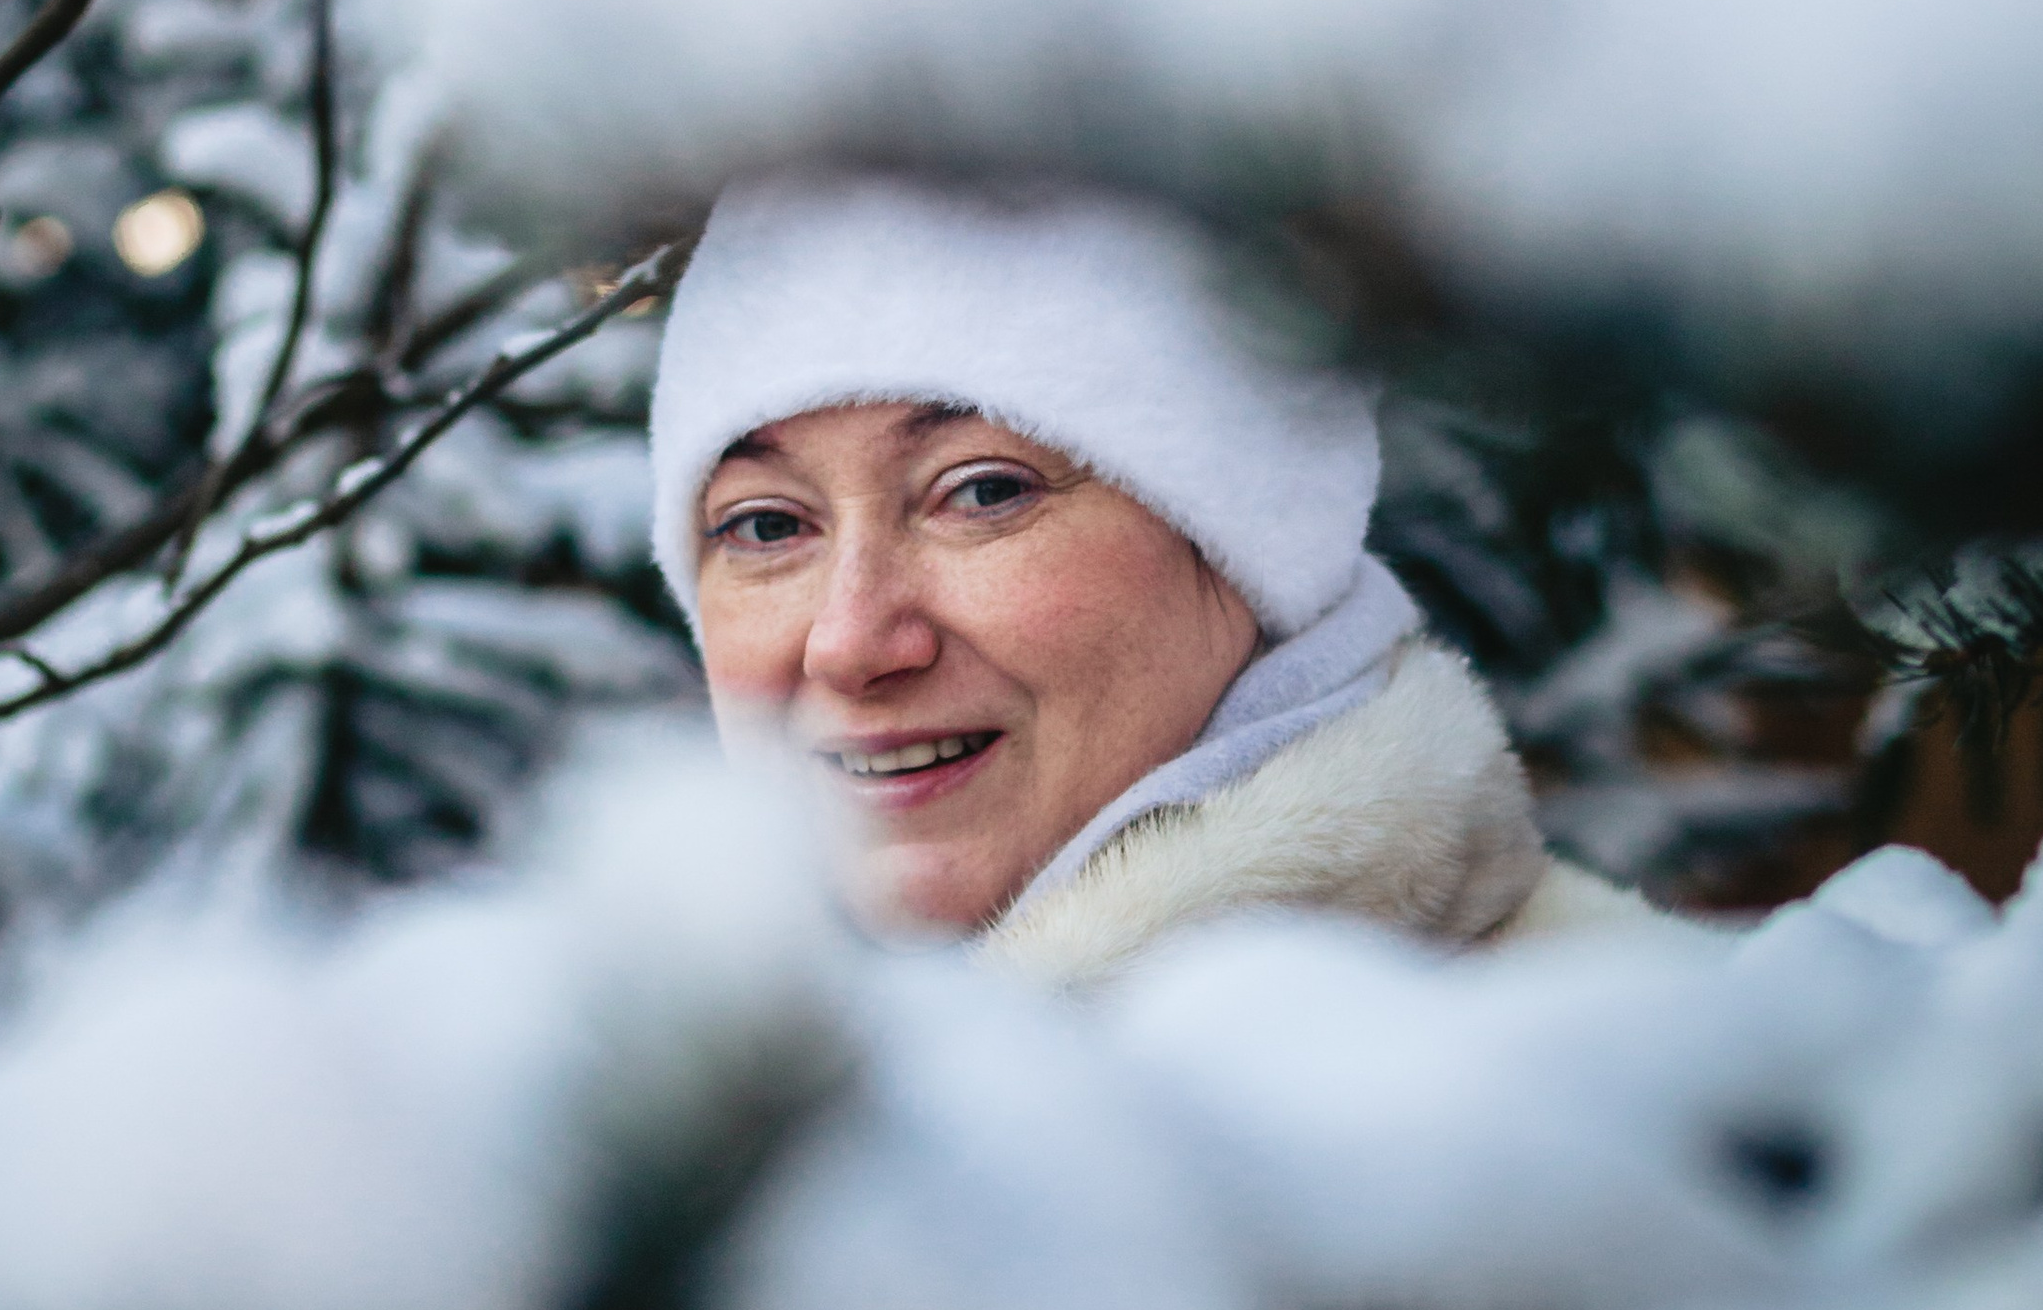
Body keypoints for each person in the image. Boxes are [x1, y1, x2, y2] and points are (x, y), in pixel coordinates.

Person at [649, 172, 1690, 984]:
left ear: (1248, 540)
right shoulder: (633, 1175)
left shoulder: (1633, 1108)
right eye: (766, 524)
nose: (849, 641)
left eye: (981, 494)